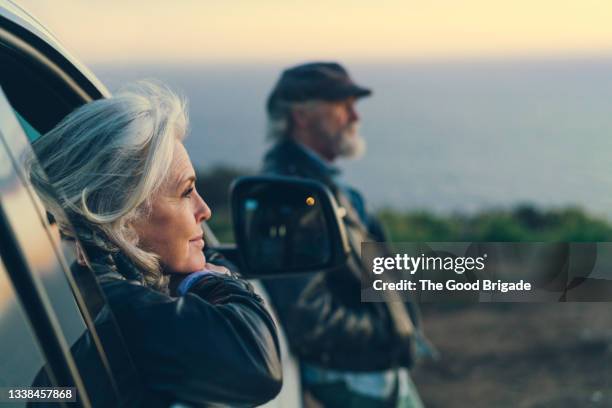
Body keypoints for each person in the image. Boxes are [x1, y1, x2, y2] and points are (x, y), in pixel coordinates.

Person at [28, 82, 282, 407]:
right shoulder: (111, 306)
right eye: (187, 192)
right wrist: (204, 278)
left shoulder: (69, 279)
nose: (205, 210)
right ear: (123, 211)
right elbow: (259, 358)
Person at [261, 62, 429, 407]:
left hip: (369, 374)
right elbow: (307, 315)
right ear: (302, 116)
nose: (355, 116)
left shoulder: (313, 183)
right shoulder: (289, 193)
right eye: (342, 105)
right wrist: (387, 332)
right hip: (358, 382)